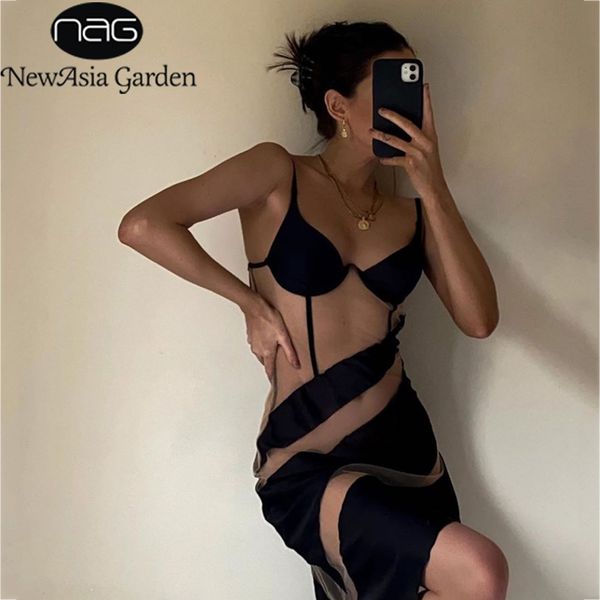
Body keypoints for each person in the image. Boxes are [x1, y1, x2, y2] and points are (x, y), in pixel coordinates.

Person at [118, 19, 507, 600]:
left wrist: (434, 185)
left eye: (415, 83)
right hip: (308, 457)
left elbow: (479, 321)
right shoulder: (278, 172)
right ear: (337, 105)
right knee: (479, 570)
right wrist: (248, 302)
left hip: (405, 452)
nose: (410, 101)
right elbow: (144, 225)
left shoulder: (414, 214)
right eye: (393, 84)